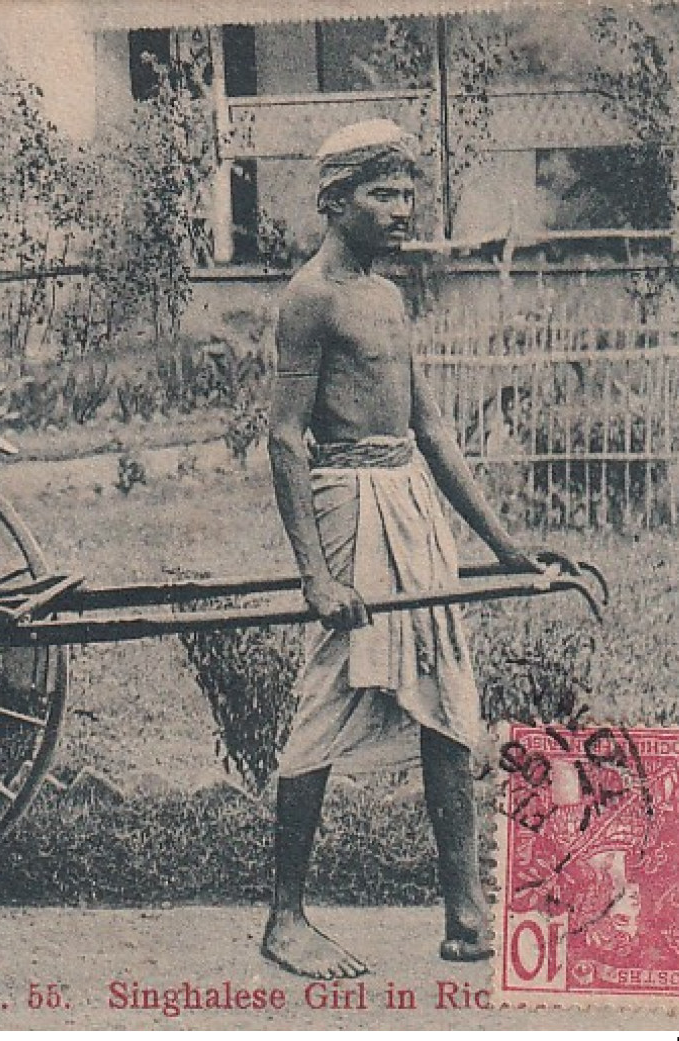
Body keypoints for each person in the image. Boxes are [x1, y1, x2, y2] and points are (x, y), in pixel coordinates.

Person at [262, 119, 544, 979]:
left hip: (411, 506)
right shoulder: (311, 298)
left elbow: (431, 429)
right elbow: (282, 438)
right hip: (346, 504)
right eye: (382, 193)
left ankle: (463, 913)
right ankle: (284, 917)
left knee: (446, 696)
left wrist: (504, 548)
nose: (402, 207)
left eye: (406, 191)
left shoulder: (388, 298)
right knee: (330, 694)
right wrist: (316, 574)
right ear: (335, 201)